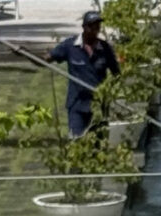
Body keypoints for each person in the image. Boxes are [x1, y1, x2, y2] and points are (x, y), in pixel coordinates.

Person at [49, 10, 122, 139]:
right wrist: (23, 52)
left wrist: (108, 91)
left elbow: (117, 74)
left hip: (99, 105)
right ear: (84, 27)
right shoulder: (70, 46)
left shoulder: (105, 48)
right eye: (92, 26)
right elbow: (47, 58)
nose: (95, 29)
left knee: (99, 143)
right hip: (77, 103)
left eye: (97, 26)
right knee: (76, 141)